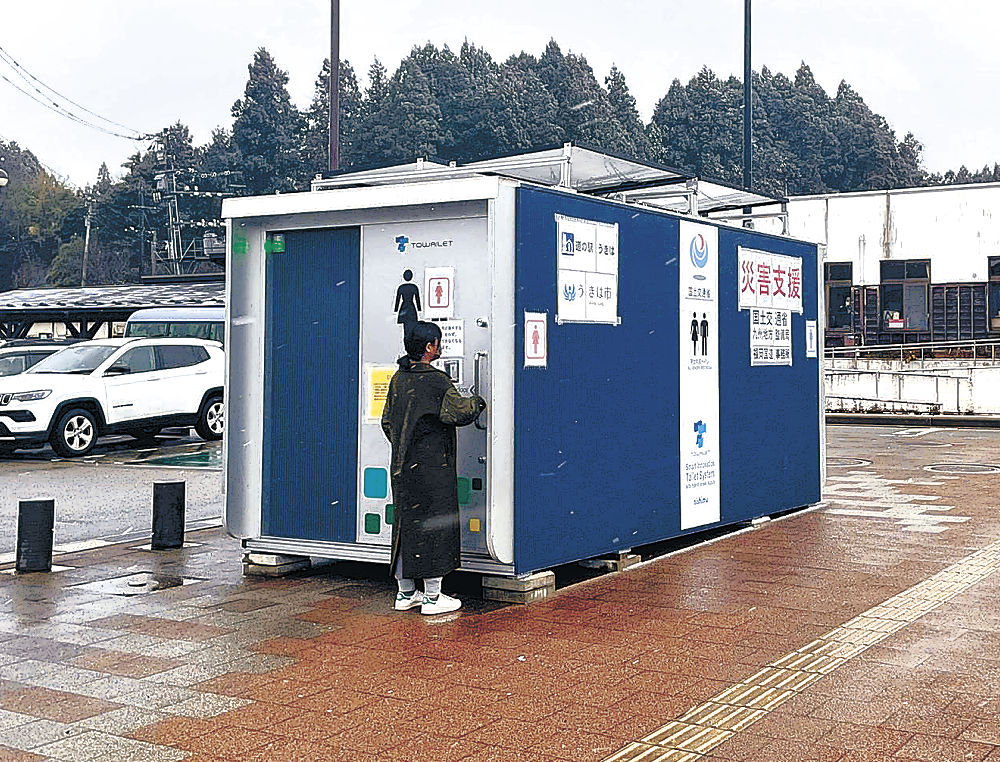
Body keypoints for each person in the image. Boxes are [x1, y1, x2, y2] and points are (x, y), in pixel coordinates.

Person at [381, 321, 486, 615]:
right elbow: (458, 412)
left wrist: (406, 444)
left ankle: (405, 594)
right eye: (438, 343)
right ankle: (432, 597)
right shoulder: (437, 381)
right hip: (432, 468)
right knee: (434, 525)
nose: (440, 347)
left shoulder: (398, 380)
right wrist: (478, 401)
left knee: (406, 525)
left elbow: (387, 421)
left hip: (403, 466)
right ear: (429, 348)